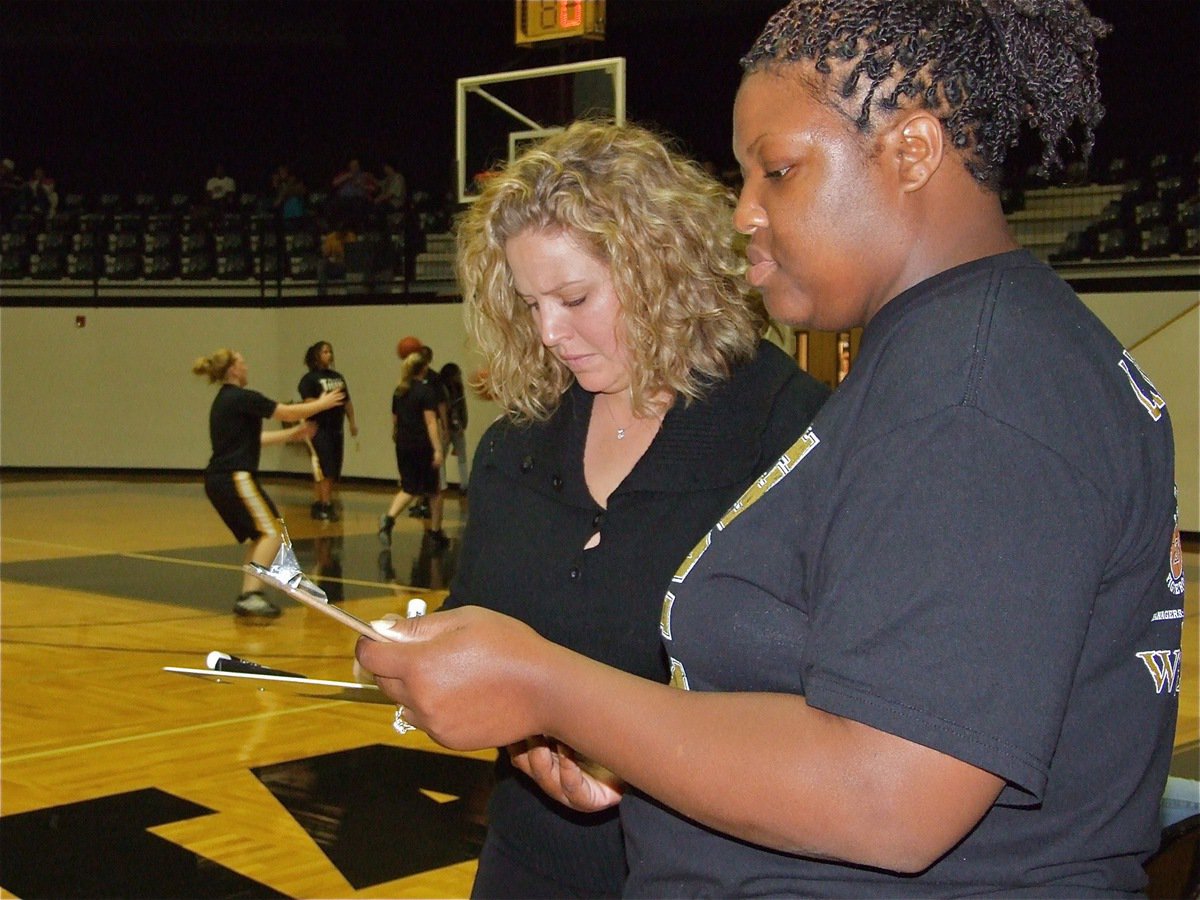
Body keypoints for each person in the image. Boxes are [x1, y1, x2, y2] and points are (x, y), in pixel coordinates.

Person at [357, 2, 1183, 896]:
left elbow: (889, 796)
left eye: (779, 172)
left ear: (911, 150)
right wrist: (603, 738)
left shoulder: (974, 390)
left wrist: (552, 690)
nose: (745, 211)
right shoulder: (944, 361)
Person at [389, 119, 828, 898]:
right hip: (528, 865)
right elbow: (481, 630)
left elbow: (820, 710)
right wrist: (515, 731)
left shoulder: (793, 441)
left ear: (665, 267)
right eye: (529, 305)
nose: (550, 334)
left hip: (716, 878)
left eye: (575, 297)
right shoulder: (515, 448)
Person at [193, 349, 344, 618]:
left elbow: (256, 440)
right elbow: (285, 411)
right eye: (243, 362)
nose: (246, 366)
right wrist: (323, 403)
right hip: (233, 476)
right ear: (233, 371)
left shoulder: (225, 401)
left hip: (222, 478)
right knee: (272, 532)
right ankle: (251, 594)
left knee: (262, 534)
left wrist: (294, 434)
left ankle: (252, 594)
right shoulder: (241, 397)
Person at [377, 351, 448, 549]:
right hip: (422, 445)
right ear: (424, 368)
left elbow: (395, 420)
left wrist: (398, 436)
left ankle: (389, 518)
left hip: (403, 444)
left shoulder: (399, 391)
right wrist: (437, 449)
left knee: (409, 488)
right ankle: (435, 532)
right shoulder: (426, 392)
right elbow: (431, 421)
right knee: (434, 491)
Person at [298, 340, 358, 521]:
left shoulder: (338, 377)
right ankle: (326, 504)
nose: (329, 355)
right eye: (325, 352)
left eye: (330, 351)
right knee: (325, 468)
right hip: (318, 428)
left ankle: (319, 503)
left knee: (333, 468)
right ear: (316, 356)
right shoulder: (309, 379)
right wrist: (322, 403)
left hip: (336, 428)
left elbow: (346, 401)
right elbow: (307, 403)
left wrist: (352, 422)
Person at [439, 362, 469, 498]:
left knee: (462, 456)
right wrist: (454, 425)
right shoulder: (442, 389)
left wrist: (463, 424)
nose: (460, 376)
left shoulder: (458, 388)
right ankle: (441, 484)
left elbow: (462, 407)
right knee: (442, 456)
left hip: (457, 426)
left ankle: (464, 484)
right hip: (447, 426)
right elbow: (448, 409)